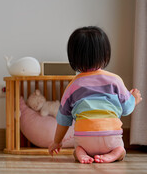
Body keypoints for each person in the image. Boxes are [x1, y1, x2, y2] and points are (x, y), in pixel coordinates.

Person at [48, 26, 142, 163]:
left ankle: (81, 153)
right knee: (121, 150)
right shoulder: (115, 80)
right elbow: (127, 109)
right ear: (106, 54)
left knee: (77, 149)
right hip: (111, 138)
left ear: (73, 57)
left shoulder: (72, 86)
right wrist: (134, 99)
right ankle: (115, 154)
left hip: (85, 140)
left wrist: (57, 142)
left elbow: (63, 119)